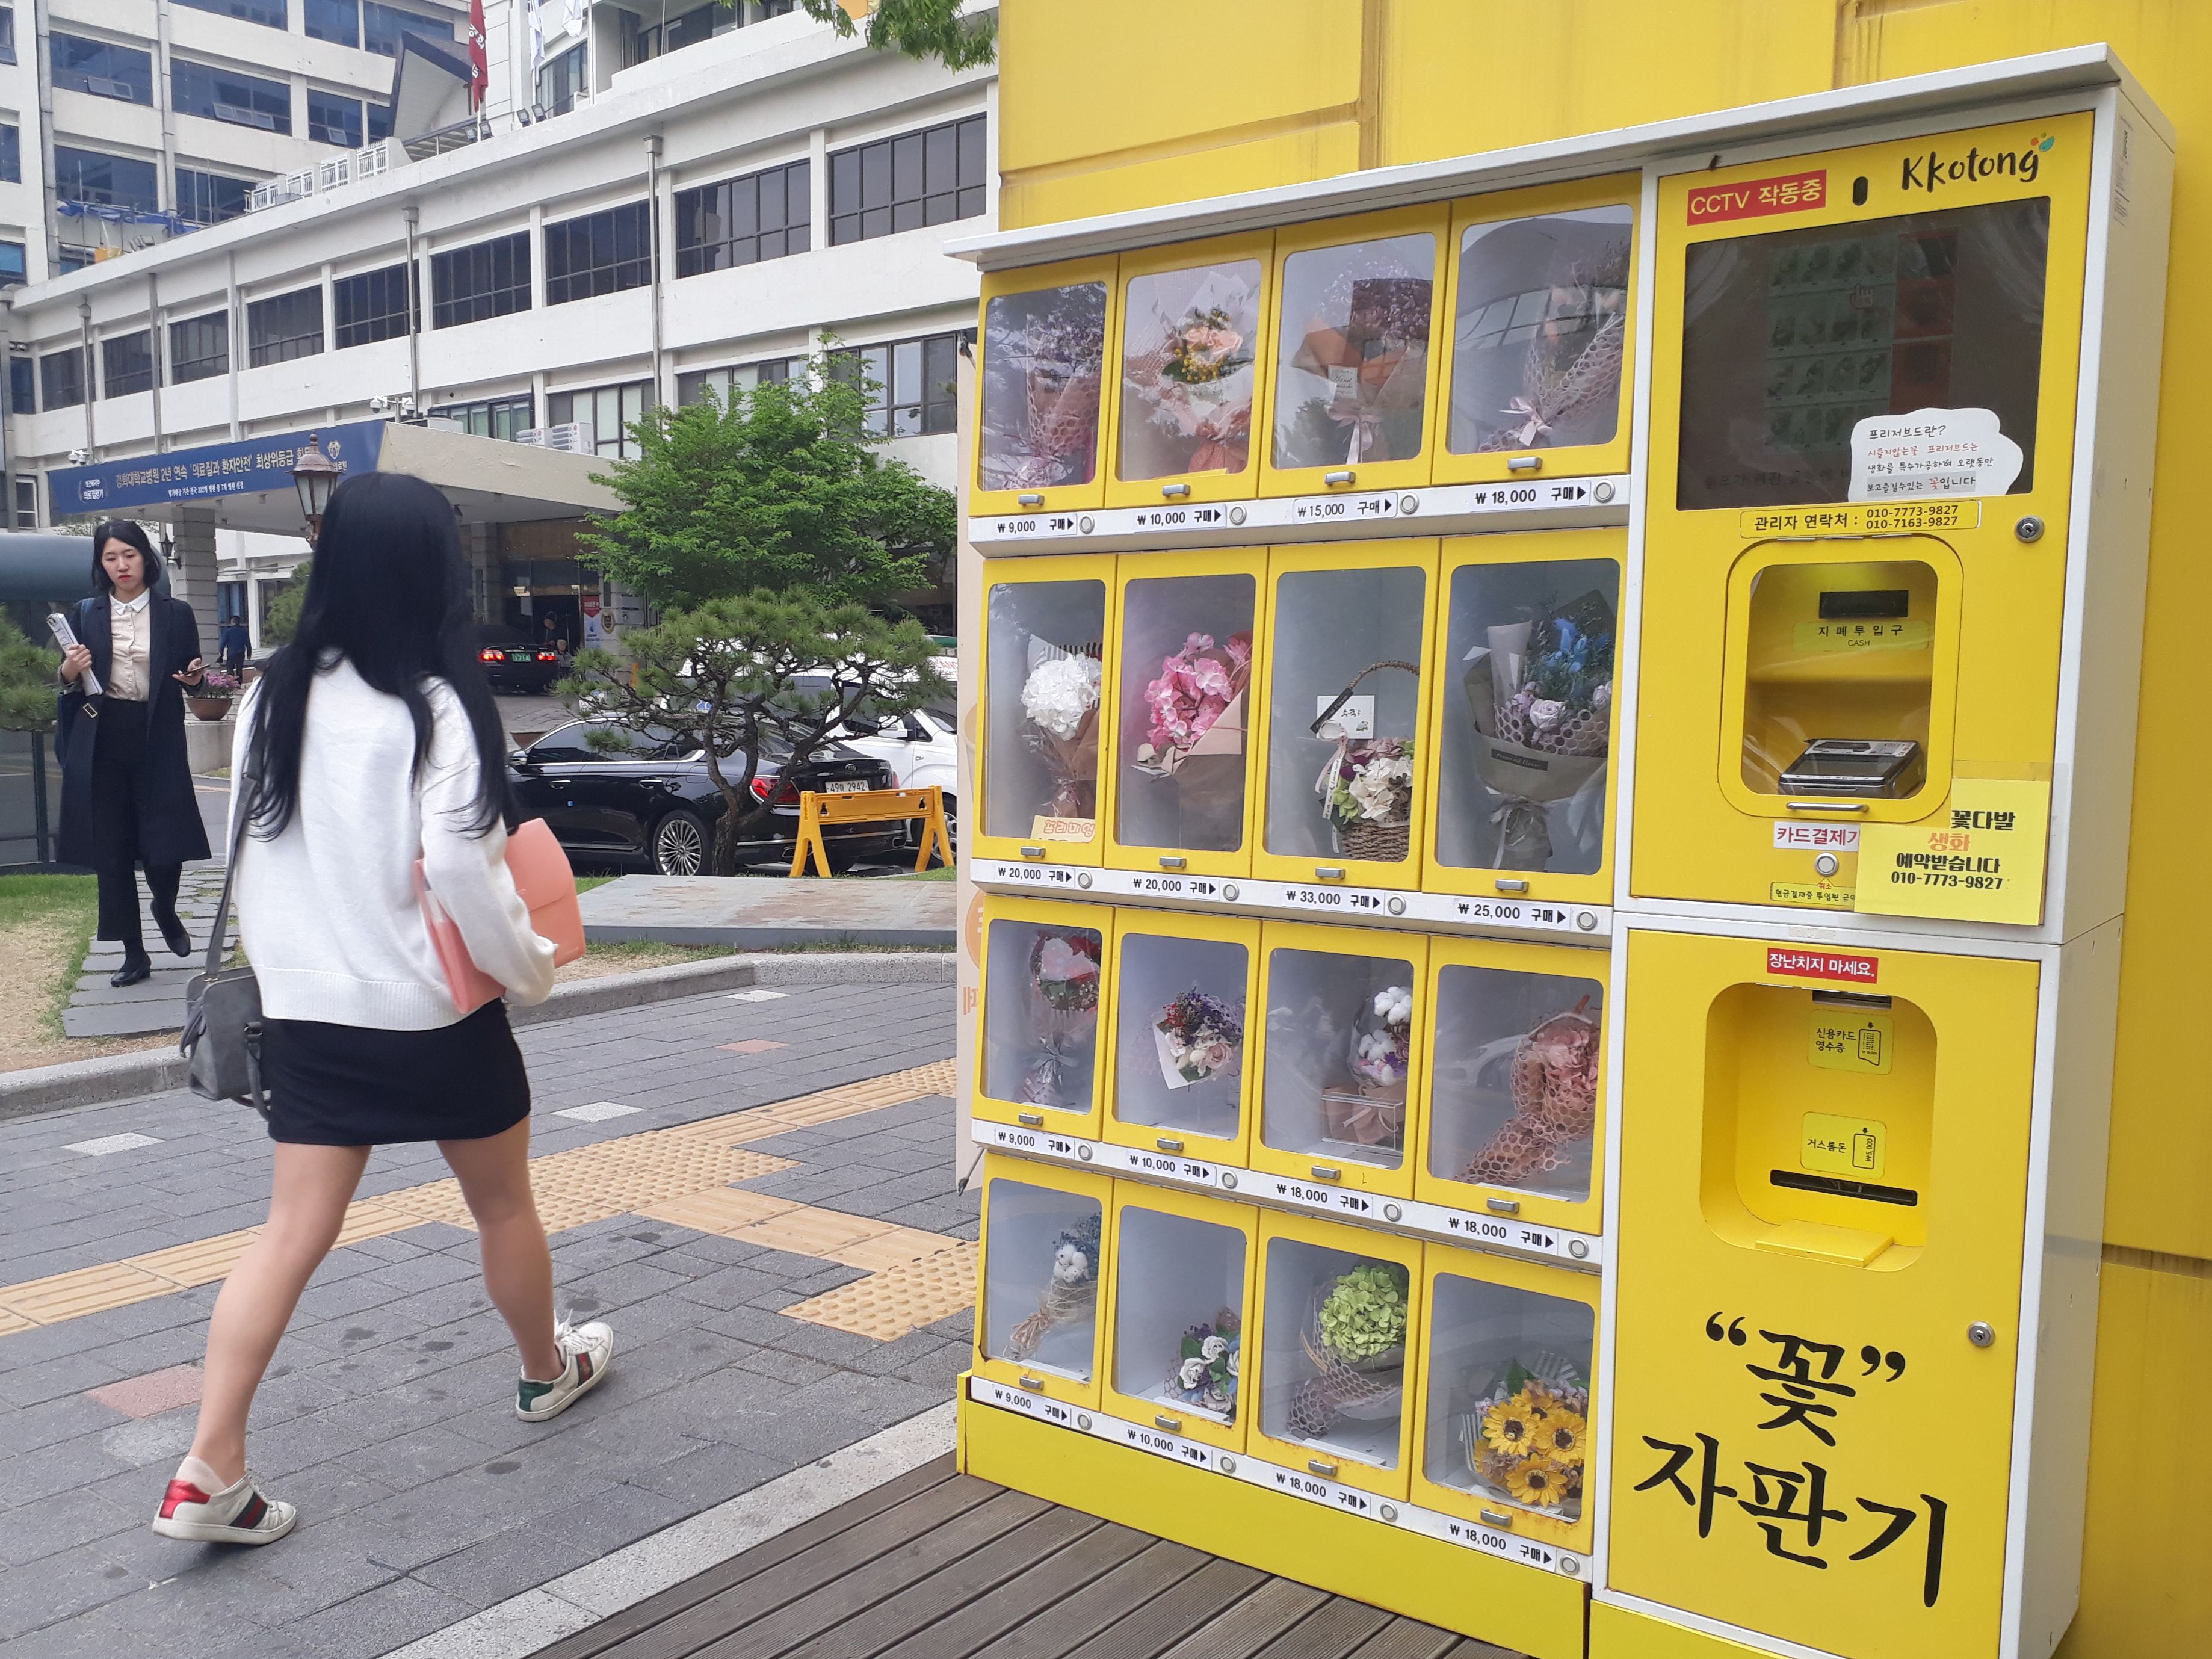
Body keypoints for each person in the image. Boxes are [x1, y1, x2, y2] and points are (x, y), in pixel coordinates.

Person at [151, 472, 614, 1549]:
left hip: (309, 1014)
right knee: (503, 1204)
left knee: (287, 1235)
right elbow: (461, 865)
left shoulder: (274, 691)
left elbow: (246, 847)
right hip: (437, 1012)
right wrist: (533, 969)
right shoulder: (436, 702)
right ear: (432, 569)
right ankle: (546, 1369)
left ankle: (208, 1463)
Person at [54, 521, 213, 988]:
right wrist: (69, 668)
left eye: (129, 554)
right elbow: (65, 681)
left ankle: (164, 903)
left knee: (166, 843)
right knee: (113, 849)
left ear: (146, 557)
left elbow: (196, 676)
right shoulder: (85, 613)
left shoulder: (176, 612)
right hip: (103, 738)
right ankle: (133, 952)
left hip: (157, 735)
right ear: (100, 564)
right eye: (110, 557)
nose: (121, 565)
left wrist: (195, 681)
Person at [218, 612, 251, 677]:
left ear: (232, 622)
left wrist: (221, 653)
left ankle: (232, 681)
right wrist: (249, 654)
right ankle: (239, 683)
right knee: (239, 670)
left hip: (231, 653)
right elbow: (248, 643)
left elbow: (223, 643)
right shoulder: (244, 631)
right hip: (241, 653)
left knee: (230, 668)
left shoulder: (228, 631)